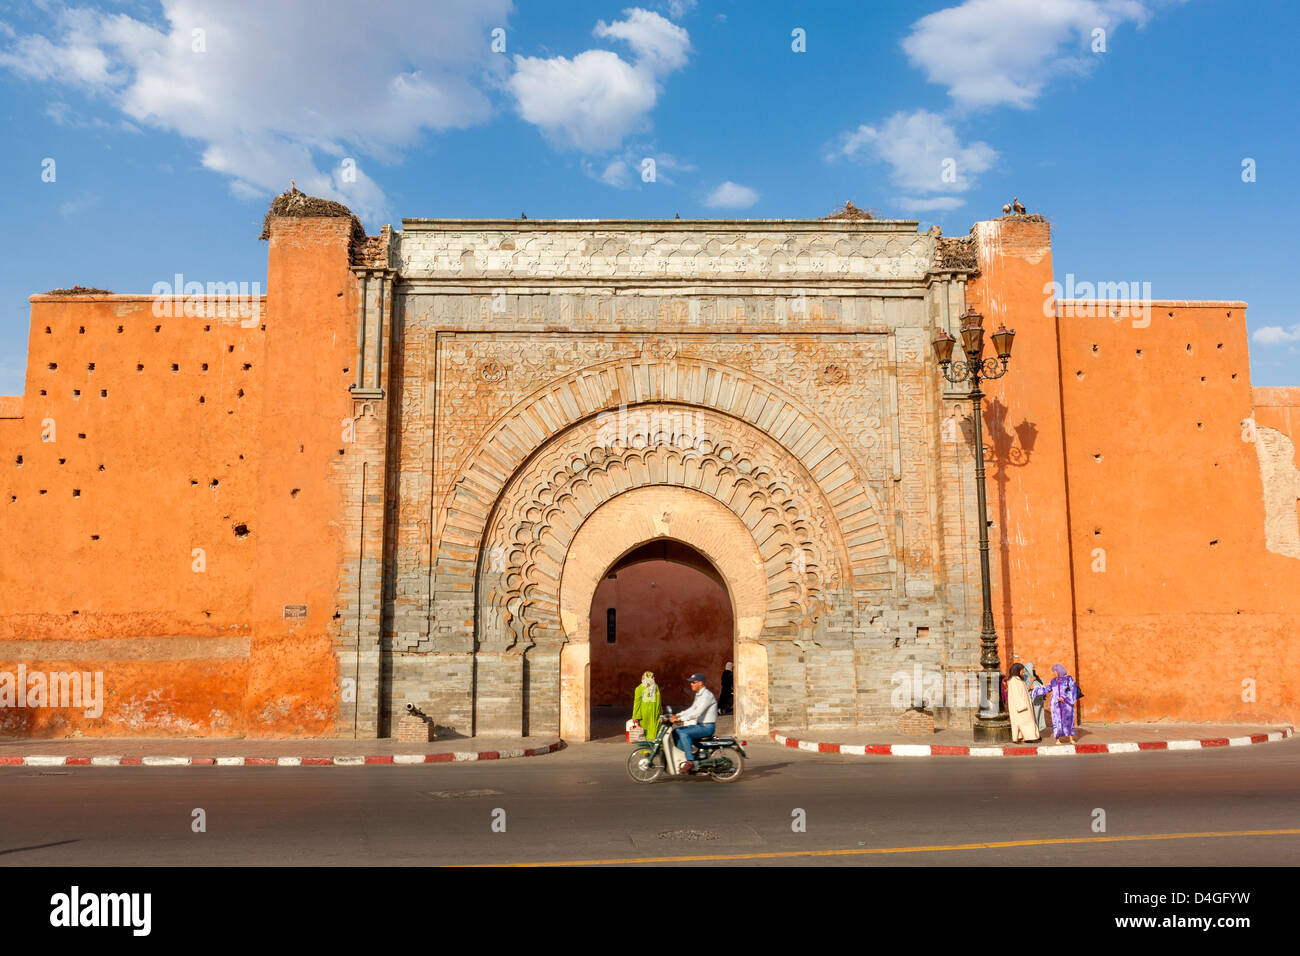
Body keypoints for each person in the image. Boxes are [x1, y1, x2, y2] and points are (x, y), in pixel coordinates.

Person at [670, 673, 718, 773]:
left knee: (683, 733)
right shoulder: (699, 694)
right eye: (691, 682)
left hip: (707, 727)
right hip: (701, 725)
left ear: (700, 683)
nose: (691, 684)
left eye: (693, 682)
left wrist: (680, 719)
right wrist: (678, 715)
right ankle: (683, 757)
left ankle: (690, 761)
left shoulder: (707, 696)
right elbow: (692, 709)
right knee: (676, 731)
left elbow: (697, 712)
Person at [1032, 664, 1078, 744]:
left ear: (1059, 671)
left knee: (1069, 721)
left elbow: (1073, 691)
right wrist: (1036, 689)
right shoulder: (1053, 681)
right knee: (1057, 721)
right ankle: (1057, 739)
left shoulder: (1069, 680)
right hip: (1056, 705)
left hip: (1067, 705)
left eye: (1055, 671)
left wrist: (1064, 698)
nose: (1054, 673)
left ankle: (1071, 739)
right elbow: (1046, 690)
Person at [1006, 663, 1040, 743]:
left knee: (1022, 721)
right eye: (1022, 670)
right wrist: (1021, 705)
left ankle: (1023, 737)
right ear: (1017, 670)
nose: (1023, 672)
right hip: (1020, 705)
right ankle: (1029, 737)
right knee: (1025, 721)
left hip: (1024, 704)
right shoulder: (1013, 680)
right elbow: (1015, 694)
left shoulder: (1018, 679)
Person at [630, 671, 660, 740]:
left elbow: (659, 699)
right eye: (652, 677)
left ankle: (654, 748)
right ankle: (645, 749)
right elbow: (637, 702)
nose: (654, 678)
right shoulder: (639, 688)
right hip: (644, 714)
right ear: (647, 678)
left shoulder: (655, 687)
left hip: (655, 713)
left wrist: (660, 709)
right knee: (645, 731)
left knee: (655, 730)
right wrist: (635, 716)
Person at [1023, 662, 1047, 734]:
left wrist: (1043, 693)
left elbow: (1043, 687)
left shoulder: (1038, 678)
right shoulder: (1024, 678)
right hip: (1030, 701)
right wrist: (1031, 681)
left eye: (1034, 668)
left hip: (1038, 701)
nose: (1033, 669)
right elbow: (1024, 689)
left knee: (1038, 716)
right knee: (1031, 717)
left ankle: (1037, 733)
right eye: (1032, 668)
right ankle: (1031, 733)